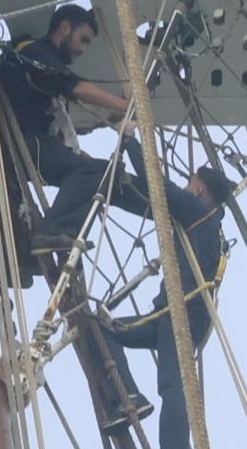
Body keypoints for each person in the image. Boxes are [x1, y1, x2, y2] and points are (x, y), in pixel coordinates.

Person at [99, 139, 229, 446]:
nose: (186, 188)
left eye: (189, 183)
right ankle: (129, 394)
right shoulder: (209, 226)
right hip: (174, 314)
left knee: (172, 385)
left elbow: (156, 185)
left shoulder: (197, 213)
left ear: (198, 191)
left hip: (180, 313)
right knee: (101, 329)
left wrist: (131, 138)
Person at [0, 5, 148, 254]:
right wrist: (129, 105)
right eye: (83, 39)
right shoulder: (34, 51)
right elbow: (75, 87)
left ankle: (152, 206)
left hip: (36, 144)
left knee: (105, 172)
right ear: (64, 28)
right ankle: (54, 231)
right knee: (90, 171)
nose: (82, 49)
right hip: (23, 142)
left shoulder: (44, 59)